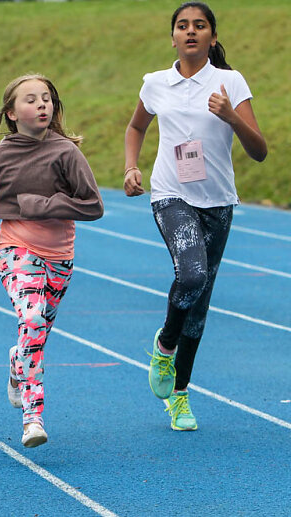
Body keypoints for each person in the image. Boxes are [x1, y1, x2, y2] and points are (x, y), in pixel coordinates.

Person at [124, 2, 266, 431]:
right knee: (191, 276)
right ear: (173, 38)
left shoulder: (230, 82)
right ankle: (165, 345)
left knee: (199, 304)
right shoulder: (155, 83)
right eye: (182, 26)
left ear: (212, 37)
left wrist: (231, 117)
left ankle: (180, 395)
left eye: (199, 26)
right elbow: (136, 127)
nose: (190, 31)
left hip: (218, 202)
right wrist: (131, 166)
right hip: (171, 195)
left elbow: (259, 151)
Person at [0, 74, 103, 448]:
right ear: (11, 113)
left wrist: (45, 205)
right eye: (31, 99)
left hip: (60, 257)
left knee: (34, 334)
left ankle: (17, 365)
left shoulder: (66, 153)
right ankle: (32, 417)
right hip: (16, 249)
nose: (42, 105)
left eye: (46, 98)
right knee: (33, 319)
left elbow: (93, 205)